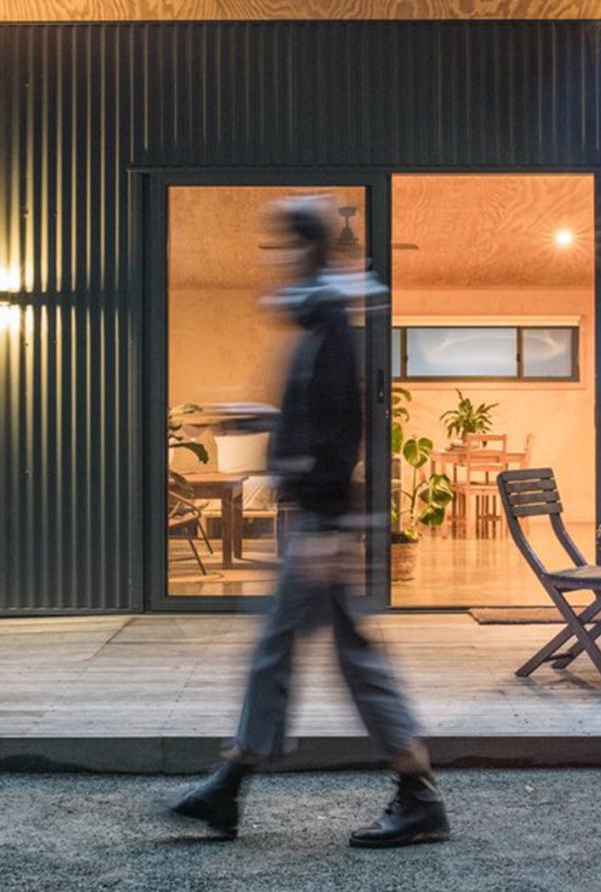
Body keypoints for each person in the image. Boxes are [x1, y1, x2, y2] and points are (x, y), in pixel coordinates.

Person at [170, 196, 449, 849]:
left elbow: (340, 427)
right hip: (323, 518)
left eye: (283, 247)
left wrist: (324, 525)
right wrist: (262, 419)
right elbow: (318, 419)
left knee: (288, 650)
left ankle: (235, 783)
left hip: (322, 522)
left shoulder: (327, 325)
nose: (273, 261)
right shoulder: (319, 320)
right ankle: (407, 792)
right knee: (342, 654)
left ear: (305, 249)